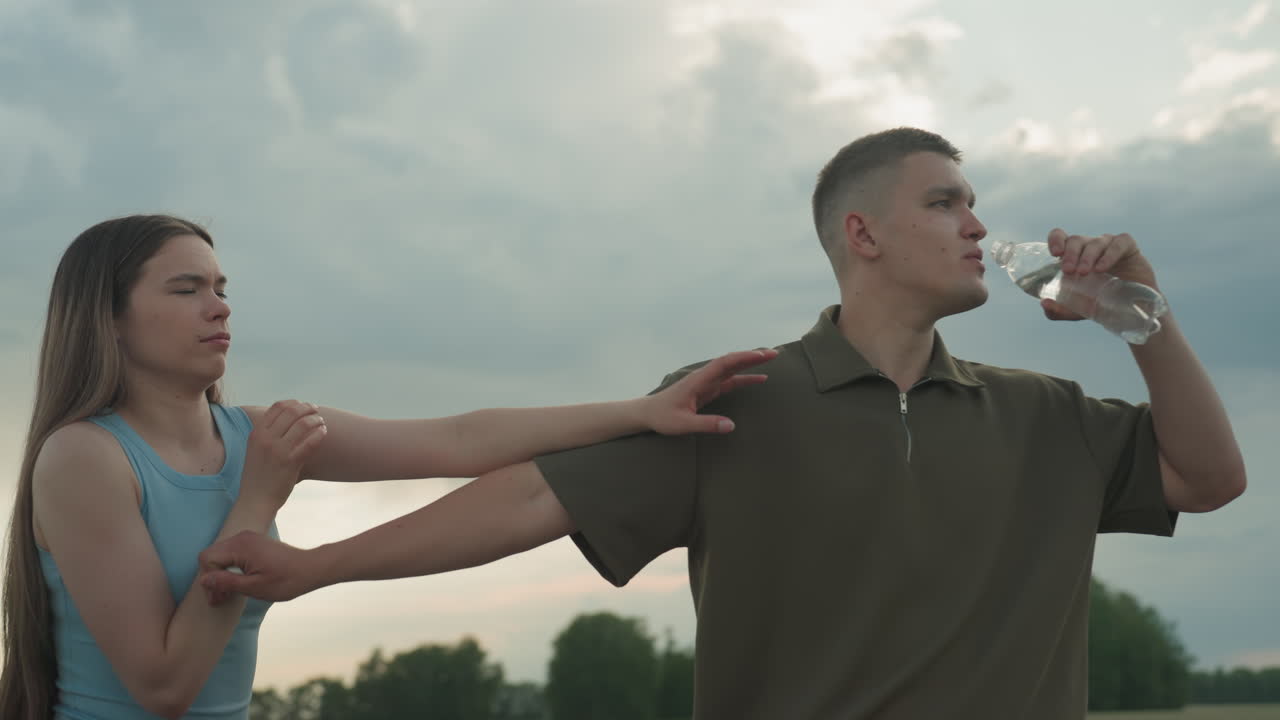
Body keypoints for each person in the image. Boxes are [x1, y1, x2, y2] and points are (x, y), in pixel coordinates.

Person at [200, 128, 1247, 719]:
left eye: (973, 202)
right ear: (861, 234)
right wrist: (317, 568)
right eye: (943, 202)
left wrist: (1135, 316)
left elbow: (1208, 479)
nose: (977, 224)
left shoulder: (1044, 416)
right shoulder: (736, 396)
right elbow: (528, 493)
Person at [0, 214, 776, 720]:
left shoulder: (254, 432)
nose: (221, 306)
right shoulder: (84, 458)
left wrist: (643, 412)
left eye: (223, 287)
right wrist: (259, 495)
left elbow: (460, 442)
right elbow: (163, 686)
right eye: (187, 288)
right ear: (109, 317)